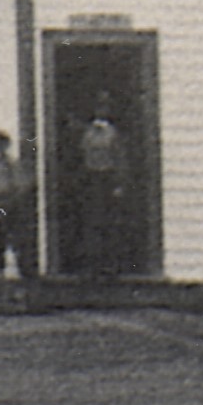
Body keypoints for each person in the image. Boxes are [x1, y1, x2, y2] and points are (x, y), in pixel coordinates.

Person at [77, 100, 127, 274]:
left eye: (104, 108)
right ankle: (92, 264)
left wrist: (119, 183)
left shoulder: (113, 133)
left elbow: (119, 158)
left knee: (110, 222)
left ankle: (111, 264)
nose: (101, 112)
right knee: (92, 221)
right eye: (98, 108)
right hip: (92, 179)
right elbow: (82, 155)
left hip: (108, 178)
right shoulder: (88, 133)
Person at [0, 131, 36, 281]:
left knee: (9, 233)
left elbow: (20, 184)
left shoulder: (10, 163)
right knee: (0, 234)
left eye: (1, 146)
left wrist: (12, 200)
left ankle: (17, 268)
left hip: (9, 202)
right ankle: (0, 267)